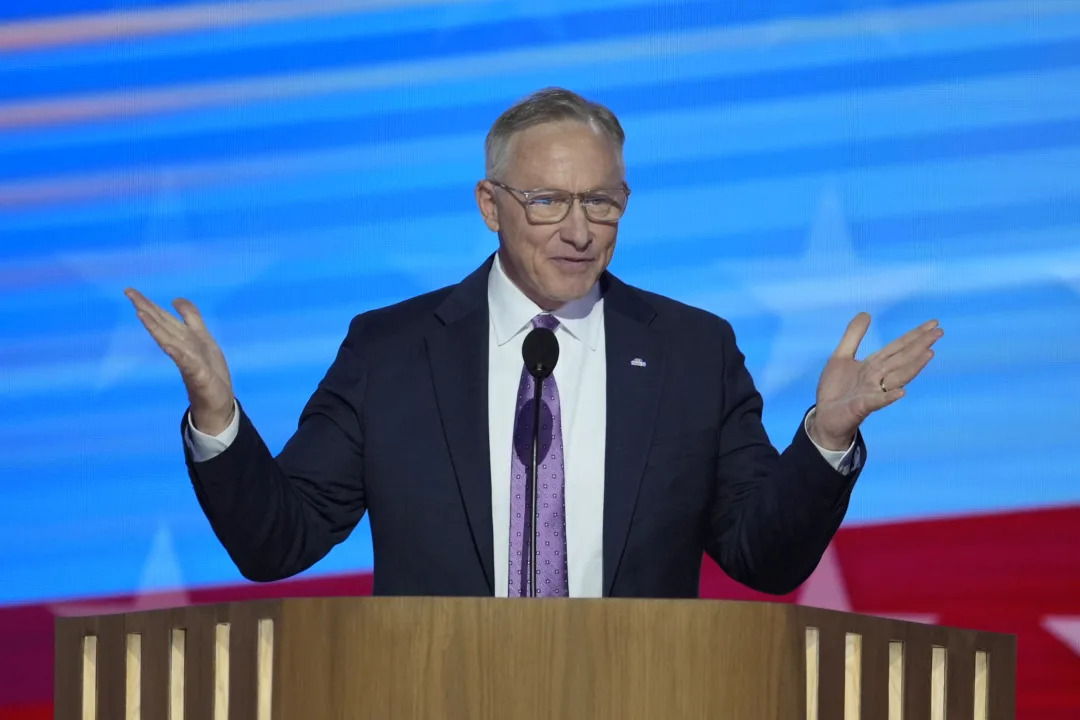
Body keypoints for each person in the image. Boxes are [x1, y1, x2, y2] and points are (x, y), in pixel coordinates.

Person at [125, 87, 942, 599]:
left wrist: (826, 439)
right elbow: (279, 541)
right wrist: (218, 416)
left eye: (604, 203)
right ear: (491, 204)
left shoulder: (695, 352)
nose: (581, 231)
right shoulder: (392, 351)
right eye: (549, 201)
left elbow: (763, 558)